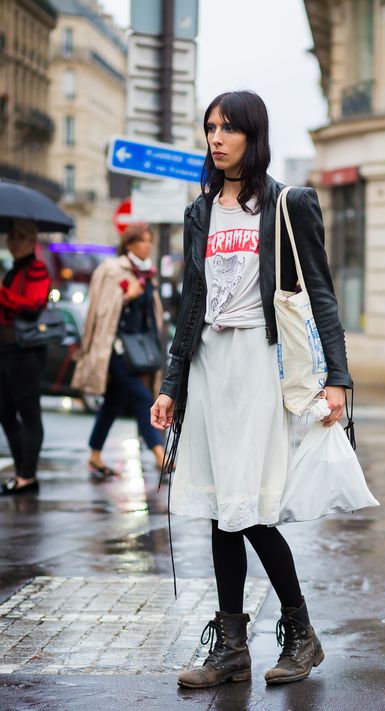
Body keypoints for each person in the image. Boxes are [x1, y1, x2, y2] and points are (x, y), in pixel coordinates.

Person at [150, 91, 353, 688]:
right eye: (210, 127)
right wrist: (172, 384)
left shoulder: (289, 204)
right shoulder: (200, 211)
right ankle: (233, 646)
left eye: (228, 128)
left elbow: (321, 293)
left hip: (261, 364)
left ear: (252, 135)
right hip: (211, 365)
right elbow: (191, 303)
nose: (215, 137)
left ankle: (300, 633)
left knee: (250, 509)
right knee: (221, 507)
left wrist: (338, 376)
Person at [72, 223, 166, 479]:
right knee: (143, 399)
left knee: (112, 404)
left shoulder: (148, 274)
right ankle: (160, 455)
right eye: (143, 241)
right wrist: (126, 296)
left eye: (150, 241)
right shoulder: (112, 270)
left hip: (138, 351)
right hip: (113, 349)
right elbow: (100, 309)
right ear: (130, 244)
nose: (148, 245)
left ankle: (94, 455)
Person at [0, 219, 51, 496]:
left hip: (26, 351)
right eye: (11, 236)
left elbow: (33, 306)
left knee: (29, 413)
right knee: (6, 412)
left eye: (20, 237)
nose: (13, 241)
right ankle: (22, 472)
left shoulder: (37, 268)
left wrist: (3, 294)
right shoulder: (13, 270)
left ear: (32, 241)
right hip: (8, 349)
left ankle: (27, 476)